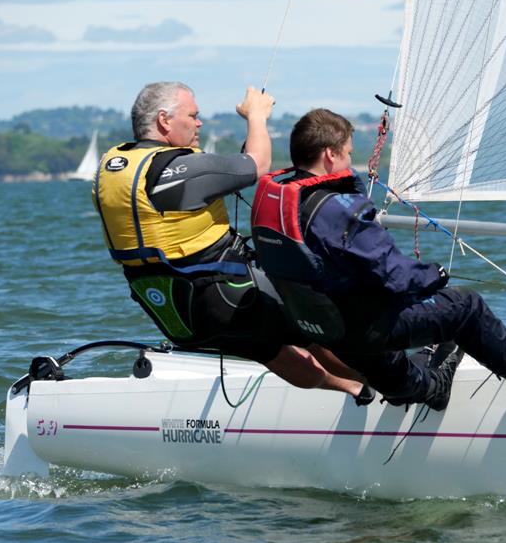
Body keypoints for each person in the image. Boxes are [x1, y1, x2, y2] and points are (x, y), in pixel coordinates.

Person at [251, 108, 506, 410]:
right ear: (330, 154)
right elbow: (396, 275)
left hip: (324, 330)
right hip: (363, 327)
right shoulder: (340, 211)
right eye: (349, 153)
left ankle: (417, 389)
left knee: (378, 344)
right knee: (465, 306)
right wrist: (435, 276)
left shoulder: (279, 204)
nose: (351, 162)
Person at [92, 83, 371, 402]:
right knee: (316, 324)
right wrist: (256, 115)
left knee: (270, 350)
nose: (199, 123)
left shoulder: (113, 167)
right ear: (164, 121)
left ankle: (355, 391)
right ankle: (391, 385)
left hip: (175, 311)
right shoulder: (177, 168)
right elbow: (257, 163)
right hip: (224, 295)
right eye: (193, 116)